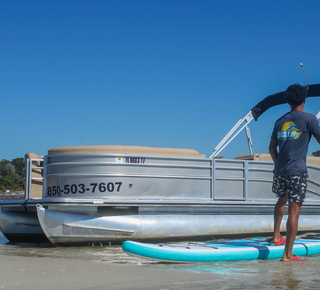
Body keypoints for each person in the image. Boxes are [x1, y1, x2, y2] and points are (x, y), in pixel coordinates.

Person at [269, 83, 320, 262]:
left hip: (280, 170)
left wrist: (279, 164)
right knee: (294, 211)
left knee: (281, 199)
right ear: (304, 100)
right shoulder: (310, 119)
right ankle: (288, 255)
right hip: (297, 171)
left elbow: (272, 147)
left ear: (288, 101)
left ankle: (276, 236)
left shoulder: (280, 121)